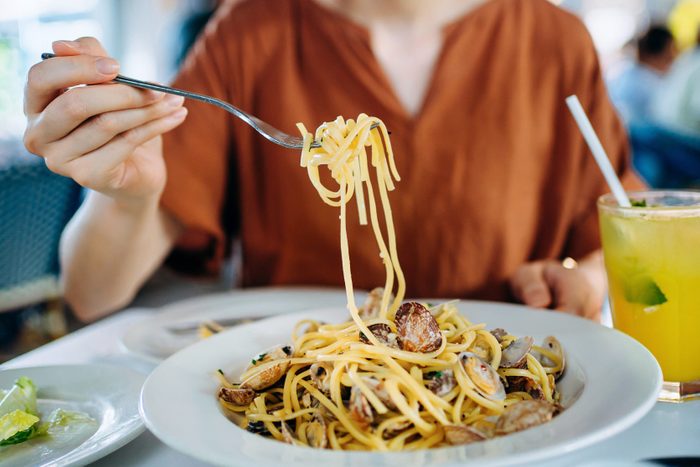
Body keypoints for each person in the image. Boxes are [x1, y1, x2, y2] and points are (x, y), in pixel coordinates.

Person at [23, 0, 643, 323]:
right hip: (299, 421)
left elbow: (616, 239)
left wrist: (581, 283)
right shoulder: (250, 33)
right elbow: (91, 294)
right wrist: (127, 194)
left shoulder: (555, 41)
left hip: (508, 409)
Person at [607, 25, 676, 125]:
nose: (673, 61)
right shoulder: (650, 84)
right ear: (655, 55)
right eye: (670, 55)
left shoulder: (623, 74)